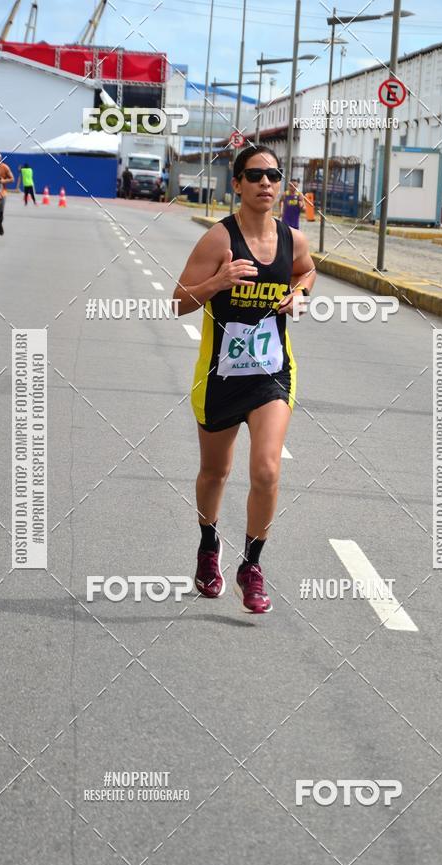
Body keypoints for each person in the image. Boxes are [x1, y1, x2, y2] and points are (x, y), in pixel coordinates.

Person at [173, 145, 316, 614]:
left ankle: (251, 566)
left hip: (271, 374)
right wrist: (217, 282)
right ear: (236, 183)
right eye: (254, 175)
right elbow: (177, 302)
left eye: (273, 175)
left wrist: (299, 294)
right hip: (219, 377)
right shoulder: (219, 239)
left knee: (267, 469)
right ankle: (208, 544)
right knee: (216, 471)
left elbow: (307, 271)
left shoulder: (294, 240)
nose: (265, 184)